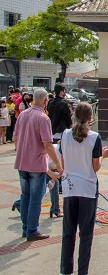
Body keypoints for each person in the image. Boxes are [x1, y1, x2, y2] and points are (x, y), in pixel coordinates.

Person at [60, 102, 108, 275]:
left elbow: (63, 162)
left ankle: (65, 269)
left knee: (68, 231)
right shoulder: (94, 137)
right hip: (88, 190)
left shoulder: (65, 134)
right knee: (86, 234)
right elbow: (95, 167)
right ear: (91, 117)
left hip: (69, 188)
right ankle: (82, 271)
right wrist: (102, 156)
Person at [14, 88, 63, 241]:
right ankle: (32, 230)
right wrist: (58, 165)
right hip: (36, 164)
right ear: (45, 101)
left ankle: (25, 228)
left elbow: (15, 137)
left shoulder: (23, 115)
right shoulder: (43, 118)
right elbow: (48, 145)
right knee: (35, 199)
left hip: (22, 162)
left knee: (26, 196)